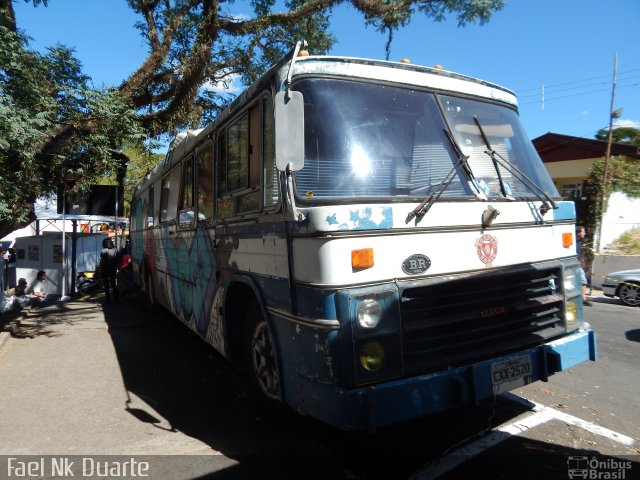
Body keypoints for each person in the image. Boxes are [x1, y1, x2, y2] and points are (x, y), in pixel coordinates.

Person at [99, 237, 119, 304]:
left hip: (105, 269)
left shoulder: (103, 251)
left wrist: (100, 269)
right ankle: (116, 298)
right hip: (113, 269)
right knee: (113, 284)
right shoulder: (115, 250)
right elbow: (117, 259)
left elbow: (102, 261)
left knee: (106, 285)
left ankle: (108, 299)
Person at [576, 226, 591, 306]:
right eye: (583, 232)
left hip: (577, 265)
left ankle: (583, 299)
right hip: (570, 265)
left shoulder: (579, 242)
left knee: (583, 280)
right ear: (578, 233)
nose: (584, 233)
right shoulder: (572, 242)